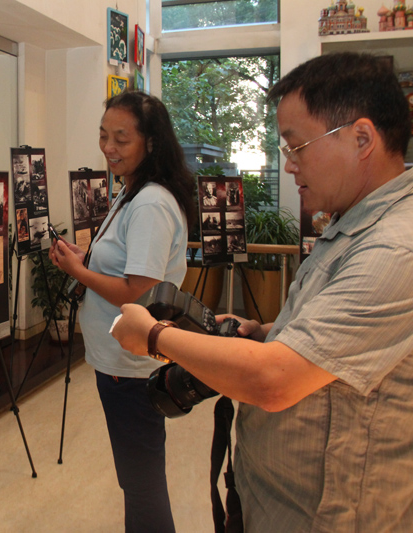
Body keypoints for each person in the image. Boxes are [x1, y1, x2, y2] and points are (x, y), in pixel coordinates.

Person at [111, 52, 413, 532]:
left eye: (298, 146)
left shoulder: (396, 248)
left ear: (362, 139)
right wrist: (269, 330)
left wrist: (154, 338)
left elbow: (276, 381)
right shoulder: (352, 224)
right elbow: (338, 327)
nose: (289, 165)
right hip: (269, 498)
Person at [50, 91, 197, 532]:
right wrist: (88, 260)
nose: (109, 147)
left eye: (121, 138)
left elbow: (138, 292)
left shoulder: (151, 202)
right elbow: (127, 267)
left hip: (131, 367)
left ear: (150, 143)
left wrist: (80, 271)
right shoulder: (132, 191)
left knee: (142, 482)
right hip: (118, 361)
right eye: (102, 136)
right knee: (138, 478)